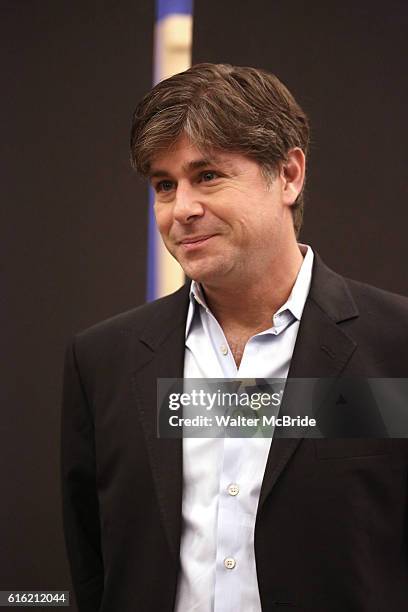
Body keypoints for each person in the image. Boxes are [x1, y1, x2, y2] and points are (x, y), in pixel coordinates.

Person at [61, 63, 408, 612]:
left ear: (289, 175)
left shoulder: (397, 346)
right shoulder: (102, 360)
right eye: (164, 185)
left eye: (208, 176)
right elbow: (93, 566)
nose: (182, 209)